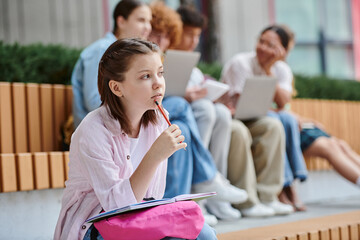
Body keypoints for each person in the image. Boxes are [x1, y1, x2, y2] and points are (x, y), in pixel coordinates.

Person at [54, 38, 217, 240]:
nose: (158, 82)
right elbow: (118, 207)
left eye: (160, 73)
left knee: (202, 233)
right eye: (145, 76)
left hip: (138, 219)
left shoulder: (157, 120)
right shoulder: (93, 131)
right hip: (95, 225)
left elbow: (151, 198)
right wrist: (155, 155)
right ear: (116, 88)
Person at [148, 2, 247, 225]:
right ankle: (205, 183)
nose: (159, 40)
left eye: (165, 35)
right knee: (194, 109)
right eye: (155, 33)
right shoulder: (138, 57)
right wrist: (186, 96)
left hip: (167, 111)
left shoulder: (167, 59)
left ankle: (211, 188)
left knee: (219, 112)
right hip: (151, 112)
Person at [277, 25, 360, 210]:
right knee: (329, 147)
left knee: (340, 144)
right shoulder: (269, 72)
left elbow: (285, 108)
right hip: (285, 129)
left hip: (295, 124)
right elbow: (274, 108)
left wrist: (305, 118)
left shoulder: (282, 71)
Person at [220, 26, 297, 217]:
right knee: (239, 131)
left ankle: (268, 196)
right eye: (261, 41)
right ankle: (247, 202)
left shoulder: (281, 69)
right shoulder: (241, 62)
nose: (262, 47)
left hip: (255, 118)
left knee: (273, 125)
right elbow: (240, 103)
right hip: (231, 118)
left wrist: (268, 69)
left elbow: (283, 102)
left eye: (270, 45)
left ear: (282, 51)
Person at [175, 5, 240, 220]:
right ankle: (198, 189)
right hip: (179, 113)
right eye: (189, 34)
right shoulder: (166, 58)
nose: (194, 41)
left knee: (221, 113)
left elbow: (200, 85)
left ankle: (214, 190)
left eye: (197, 36)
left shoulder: (191, 65)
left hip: (192, 111)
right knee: (205, 109)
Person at [72, 0, 152, 128]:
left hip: (119, 123)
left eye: (149, 21)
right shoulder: (102, 50)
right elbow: (94, 102)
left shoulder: (128, 54)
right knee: (179, 106)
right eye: (141, 20)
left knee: (180, 123)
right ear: (121, 22)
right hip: (98, 129)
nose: (148, 27)